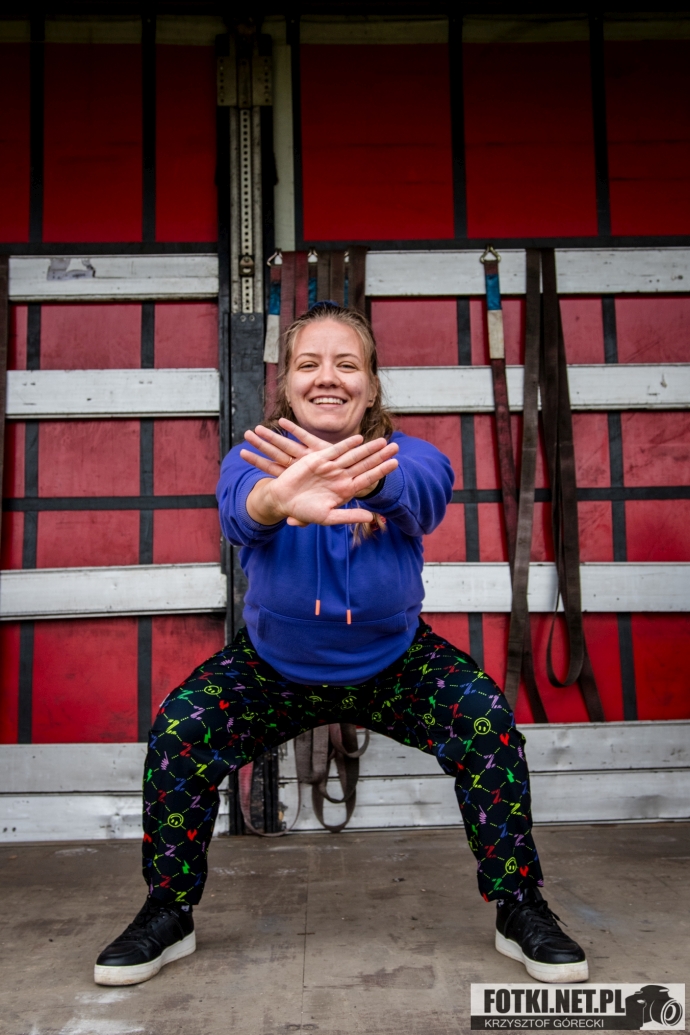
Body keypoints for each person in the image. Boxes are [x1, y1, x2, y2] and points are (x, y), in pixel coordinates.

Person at [94, 302, 588, 987]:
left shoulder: (410, 456)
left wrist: (366, 478)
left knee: (487, 722)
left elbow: (426, 493)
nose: (327, 377)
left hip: (395, 662)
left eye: (347, 364)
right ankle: (167, 909)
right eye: (309, 363)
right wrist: (279, 498)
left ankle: (519, 904)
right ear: (287, 384)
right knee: (181, 729)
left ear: (372, 385)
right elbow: (240, 511)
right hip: (275, 667)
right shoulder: (254, 456)